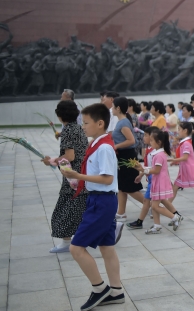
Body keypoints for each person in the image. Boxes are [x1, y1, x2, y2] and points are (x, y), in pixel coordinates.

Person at [59, 103, 124, 309]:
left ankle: (99, 288)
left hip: (102, 201)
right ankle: (116, 291)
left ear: (100, 123)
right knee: (107, 248)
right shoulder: (97, 143)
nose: (83, 127)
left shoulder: (104, 147)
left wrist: (78, 175)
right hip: (99, 199)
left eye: (86, 123)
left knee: (76, 248)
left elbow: (107, 178)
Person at [42, 100, 88, 253]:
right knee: (80, 209)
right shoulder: (79, 129)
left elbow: (70, 156)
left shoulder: (68, 130)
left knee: (63, 211)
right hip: (81, 174)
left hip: (72, 177)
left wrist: (53, 161)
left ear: (60, 116)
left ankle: (66, 242)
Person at [142, 131, 183, 234]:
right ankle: (157, 226)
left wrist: (144, 170)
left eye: (151, 140)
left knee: (155, 206)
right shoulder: (158, 154)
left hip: (160, 182)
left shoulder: (159, 155)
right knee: (154, 204)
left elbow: (156, 170)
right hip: (158, 182)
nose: (150, 142)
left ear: (159, 142)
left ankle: (174, 217)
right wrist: (143, 168)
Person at [111, 97, 143, 223]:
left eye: (113, 107)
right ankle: (121, 213)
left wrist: (116, 146)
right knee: (122, 186)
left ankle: (150, 205)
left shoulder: (123, 122)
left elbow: (131, 141)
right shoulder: (122, 121)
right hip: (123, 156)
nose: (112, 109)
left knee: (130, 187)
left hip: (127, 156)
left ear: (118, 108)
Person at [126, 127, 159, 229]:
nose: (144, 137)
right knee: (152, 202)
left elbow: (155, 168)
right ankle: (173, 216)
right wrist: (140, 175)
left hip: (154, 180)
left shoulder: (155, 152)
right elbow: (147, 166)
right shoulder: (149, 150)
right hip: (151, 180)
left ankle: (174, 216)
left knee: (151, 202)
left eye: (146, 135)